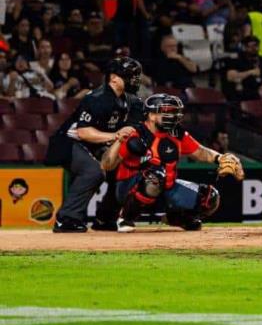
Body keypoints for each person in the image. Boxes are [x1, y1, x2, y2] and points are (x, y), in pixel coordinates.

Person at [100, 93, 244, 232]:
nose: (173, 116)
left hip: (167, 189)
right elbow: (107, 165)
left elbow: (199, 152)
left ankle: (176, 219)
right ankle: (126, 218)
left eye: (175, 112)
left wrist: (220, 158)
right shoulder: (135, 133)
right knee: (155, 176)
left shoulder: (177, 134)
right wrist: (118, 141)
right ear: (151, 115)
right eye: (167, 112)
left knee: (209, 197)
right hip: (129, 189)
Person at [47, 57, 144, 233]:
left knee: (123, 169)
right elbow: (84, 132)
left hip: (95, 145)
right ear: (114, 78)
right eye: (130, 76)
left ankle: (105, 219)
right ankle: (66, 219)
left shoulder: (132, 101)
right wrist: (115, 135)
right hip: (68, 142)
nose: (135, 80)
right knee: (93, 171)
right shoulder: (97, 98)